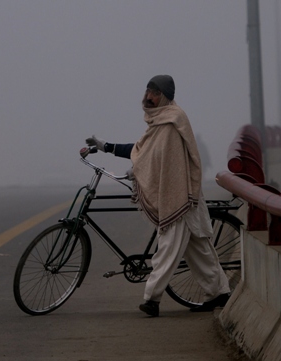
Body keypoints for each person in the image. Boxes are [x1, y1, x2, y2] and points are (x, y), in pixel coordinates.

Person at [85, 75, 230, 317]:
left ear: (163, 95)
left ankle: (152, 299)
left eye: (153, 92)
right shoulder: (160, 121)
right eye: (147, 91)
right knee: (199, 249)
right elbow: (144, 151)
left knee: (168, 248)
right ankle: (220, 293)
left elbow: (156, 159)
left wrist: (138, 168)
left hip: (179, 196)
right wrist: (106, 146)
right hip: (183, 194)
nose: (148, 97)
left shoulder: (172, 121)